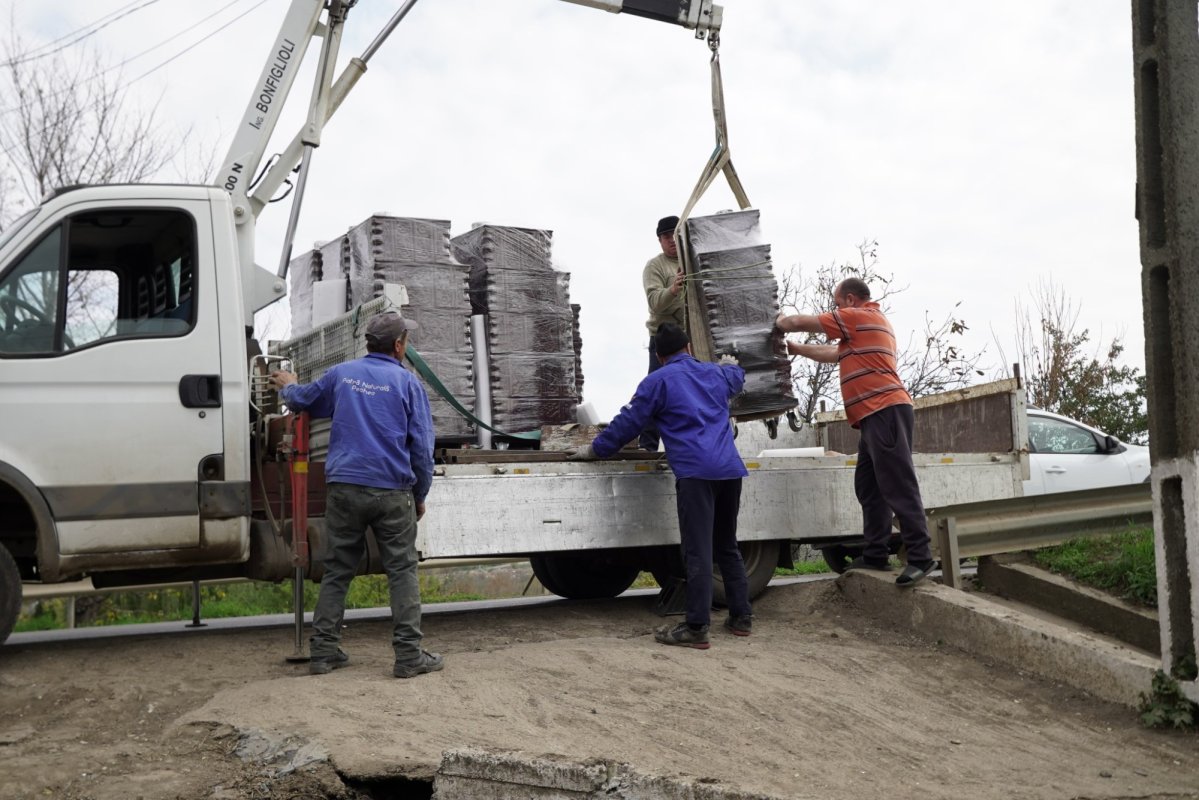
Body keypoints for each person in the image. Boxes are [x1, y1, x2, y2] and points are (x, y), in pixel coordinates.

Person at [269, 311, 443, 678]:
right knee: (401, 571)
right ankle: (409, 656)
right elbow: (422, 451)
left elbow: (303, 400)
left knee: (337, 570)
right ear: (399, 346)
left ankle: (323, 651)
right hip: (392, 491)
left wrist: (287, 385)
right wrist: (420, 495)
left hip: (344, 488)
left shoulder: (342, 375)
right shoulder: (408, 384)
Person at [568, 323, 752, 649]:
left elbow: (628, 423)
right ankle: (741, 618)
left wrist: (595, 450)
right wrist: (730, 365)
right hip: (729, 470)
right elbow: (737, 377)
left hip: (696, 474)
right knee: (726, 546)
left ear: (658, 355)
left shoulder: (658, 382)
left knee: (697, 551)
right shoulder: (715, 375)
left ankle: (697, 627)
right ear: (690, 348)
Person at [775, 278, 936, 587]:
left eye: (837, 304)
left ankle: (920, 556)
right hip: (874, 416)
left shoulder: (858, 317)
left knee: (898, 484)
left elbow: (798, 321)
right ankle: (875, 553)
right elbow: (833, 354)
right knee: (869, 485)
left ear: (849, 300)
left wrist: (778, 324)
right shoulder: (870, 325)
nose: (835, 310)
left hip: (885, 411)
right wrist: (796, 349)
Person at [638, 214, 687, 451]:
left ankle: (685, 444)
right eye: (667, 236)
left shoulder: (693, 261)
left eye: (676, 235)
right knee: (656, 389)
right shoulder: (655, 266)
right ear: (660, 240)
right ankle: (647, 445)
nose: (672, 240)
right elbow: (654, 302)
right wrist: (674, 289)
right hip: (664, 340)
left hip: (690, 340)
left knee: (690, 392)